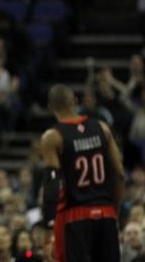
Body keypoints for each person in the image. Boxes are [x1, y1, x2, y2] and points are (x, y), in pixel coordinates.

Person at [40, 84, 125, 262]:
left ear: (50, 108)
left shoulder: (52, 136)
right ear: (76, 101)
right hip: (105, 212)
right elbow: (119, 174)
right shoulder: (102, 128)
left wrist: (49, 228)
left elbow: (51, 184)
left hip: (74, 215)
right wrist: (113, 211)